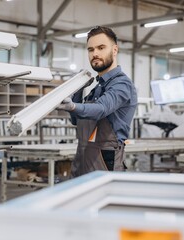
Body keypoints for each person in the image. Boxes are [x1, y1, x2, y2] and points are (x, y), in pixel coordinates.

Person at [58, 26, 138, 178]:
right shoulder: (96, 87)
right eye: (90, 49)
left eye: (101, 48)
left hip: (104, 163)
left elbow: (101, 109)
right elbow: (76, 120)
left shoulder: (122, 85)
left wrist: (73, 106)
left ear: (114, 50)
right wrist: (78, 90)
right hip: (82, 159)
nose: (95, 54)